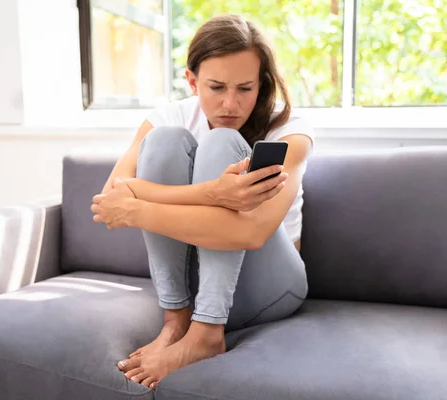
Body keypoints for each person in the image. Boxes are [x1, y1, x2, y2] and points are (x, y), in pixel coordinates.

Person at [90, 14, 314, 390]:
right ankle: (176, 321)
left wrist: (142, 209)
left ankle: (208, 333)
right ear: (192, 81)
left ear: (262, 85)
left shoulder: (290, 132)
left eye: (246, 88)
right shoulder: (169, 117)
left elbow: (254, 232)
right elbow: (111, 195)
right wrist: (209, 193)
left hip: (270, 285)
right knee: (163, 141)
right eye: (216, 87)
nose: (231, 103)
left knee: (221, 142)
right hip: (194, 284)